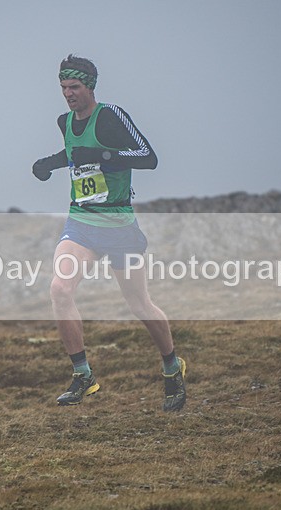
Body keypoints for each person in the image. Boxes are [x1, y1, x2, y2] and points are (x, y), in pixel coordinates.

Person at [32, 54, 187, 412]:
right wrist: (48, 164)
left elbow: (148, 157)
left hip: (119, 227)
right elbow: (74, 152)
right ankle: (83, 375)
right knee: (59, 289)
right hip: (82, 223)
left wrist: (102, 155)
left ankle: (171, 366)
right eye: (63, 87)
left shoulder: (112, 116)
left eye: (74, 87)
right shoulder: (64, 121)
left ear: (90, 86)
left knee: (139, 304)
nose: (68, 94)